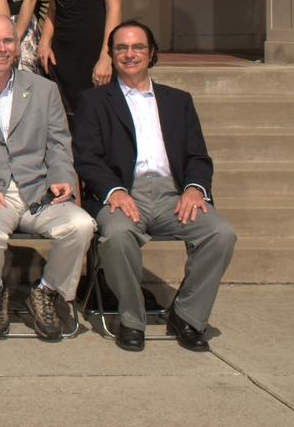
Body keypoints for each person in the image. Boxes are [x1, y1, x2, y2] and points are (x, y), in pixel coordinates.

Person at [73, 21, 236, 352]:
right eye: (121, 48)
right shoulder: (94, 101)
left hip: (173, 195)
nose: (129, 54)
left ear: (151, 54)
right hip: (120, 194)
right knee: (117, 236)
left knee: (221, 233)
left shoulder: (178, 101)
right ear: (111, 54)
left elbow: (198, 157)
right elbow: (87, 158)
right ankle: (132, 320)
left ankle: (188, 315)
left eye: (137, 48)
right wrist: (114, 191)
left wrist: (194, 189)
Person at [0, 15, 95, 340]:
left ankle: (46, 292)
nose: (1, 48)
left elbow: (58, 144)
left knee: (82, 226)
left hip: (38, 190)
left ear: (17, 45)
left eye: (8, 41)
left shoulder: (44, 90)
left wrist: (62, 175)